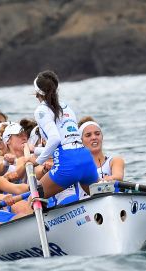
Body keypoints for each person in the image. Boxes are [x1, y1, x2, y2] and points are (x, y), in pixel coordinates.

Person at [32, 70, 98, 198]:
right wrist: (36, 150)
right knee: (98, 197)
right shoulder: (67, 107)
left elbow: (55, 139)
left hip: (67, 163)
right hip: (85, 158)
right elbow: (64, 143)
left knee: (34, 198)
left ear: (37, 93)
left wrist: (38, 161)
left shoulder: (41, 110)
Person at [78, 117, 125, 181]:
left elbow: (118, 177)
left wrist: (109, 179)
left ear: (102, 137)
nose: (94, 137)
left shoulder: (115, 161)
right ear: (81, 140)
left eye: (97, 134)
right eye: (88, 135)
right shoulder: (77, 166)